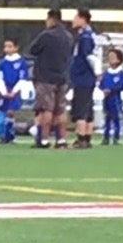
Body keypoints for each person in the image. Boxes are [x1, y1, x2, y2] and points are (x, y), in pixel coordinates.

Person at [29, 8, 74, 149]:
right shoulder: (68, 36)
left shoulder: (46, 35)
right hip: (62, 77)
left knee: (46, 109)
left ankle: (44, 139)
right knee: (60, 109)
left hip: (45, 77)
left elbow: (33, 50)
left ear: (51, 19)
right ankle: (61, 140)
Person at [70, 8, 101, 149]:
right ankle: (87, 139)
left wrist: (96, 71)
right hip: (86, 77)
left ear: (83, 19)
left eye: (75, 17)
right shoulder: (90, 35)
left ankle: (81, 139)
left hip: (83, 77)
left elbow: (89, 56)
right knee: (88, 109)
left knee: (81, 108)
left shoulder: (85, 37)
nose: (73, 20)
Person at [0, 39, 30, 144]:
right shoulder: (3, 63)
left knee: (11, 112)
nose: (7, 49)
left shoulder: (21, 62)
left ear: (16, 48)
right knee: (4, 112)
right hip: (4, 91)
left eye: (10, 46)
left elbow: (22, 78)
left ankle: (9, 136)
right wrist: (3, 91)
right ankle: (5, 135)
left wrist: (14, 91)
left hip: (15, 91)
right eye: (6, 46)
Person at [100, 48, 123, 145]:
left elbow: (122, 85)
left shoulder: (121, 73)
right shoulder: (106, 73)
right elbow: (101, 84)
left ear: (119, 60)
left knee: (116, 118)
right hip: (106, 98)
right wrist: (103, 89)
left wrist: (111, 90)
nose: (110, 59)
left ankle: (116, 137)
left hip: (115, 98)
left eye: (113, 57)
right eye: (109, 57)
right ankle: (106, 137)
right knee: (107, 118)